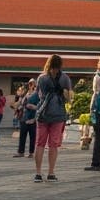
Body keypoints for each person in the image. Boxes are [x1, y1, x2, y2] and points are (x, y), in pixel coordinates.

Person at [32, 54, 72, 182]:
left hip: (43, 114)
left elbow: (39, 95)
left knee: (40, 144)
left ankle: (38, 173)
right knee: (53, 145)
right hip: (58, 114)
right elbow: (69, 97)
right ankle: (51, 173)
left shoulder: (42, 78)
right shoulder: (65, 78)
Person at [15, 78, 38, 158]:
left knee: (32, 136)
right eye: (30, 83)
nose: (31, 85)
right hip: (24, 117)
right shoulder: (25, 94)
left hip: (32, 117)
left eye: (32, 84)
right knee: (22, 135)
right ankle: (21, 152)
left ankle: (31, 153)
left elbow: (39, 106)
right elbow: (21, 104)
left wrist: (32, 107)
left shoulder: (37, 94)